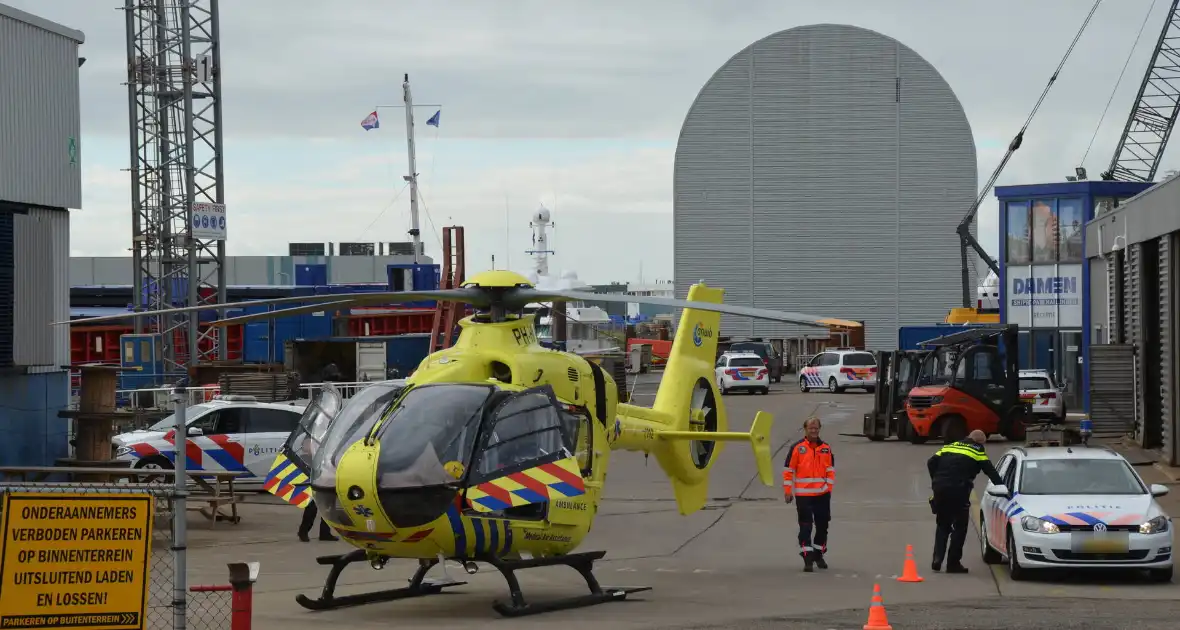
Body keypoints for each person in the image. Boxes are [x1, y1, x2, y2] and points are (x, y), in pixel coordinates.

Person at [926, 430, 1006, 573]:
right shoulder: (978, 450)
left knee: (942, 525)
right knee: (960, 527)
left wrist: (936, 479)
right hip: (959, 491)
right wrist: (1003, 488)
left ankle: (937, 559)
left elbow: (931, 462)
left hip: (940, 489)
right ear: (980, 442)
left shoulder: (950, 446)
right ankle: (953, 563)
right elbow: (991, 472)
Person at [783, 417, 835, 572]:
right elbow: (788, 471)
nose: (814, 431)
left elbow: (831, 470)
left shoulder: (826, 448)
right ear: (805, 429)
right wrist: (788, 491)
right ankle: (807, 557)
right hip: (804, 496)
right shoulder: (797, 448)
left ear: (819, 429)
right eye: (811, 428)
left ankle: (819, 554)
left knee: (822, 526)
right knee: (806, 526)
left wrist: (828, 488)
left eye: (816, 428)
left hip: (822, 495)